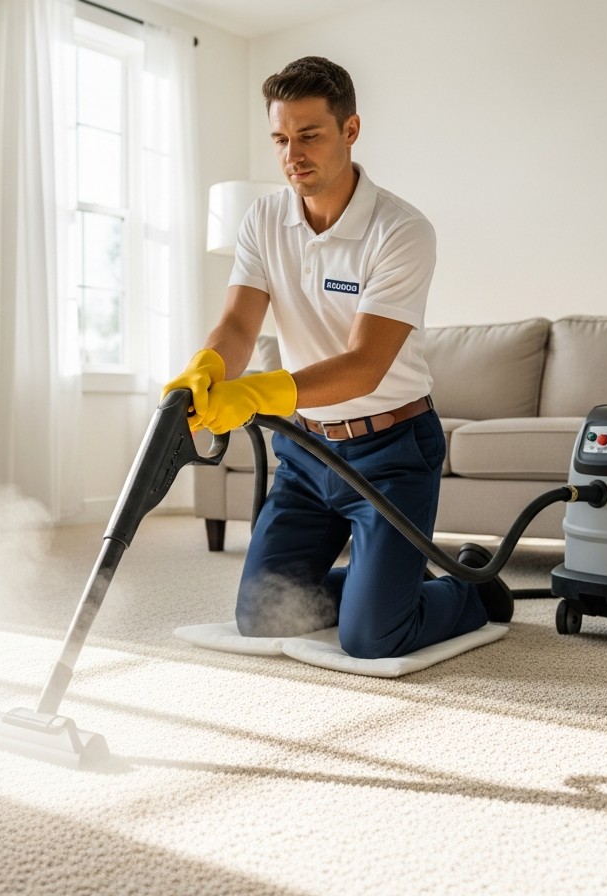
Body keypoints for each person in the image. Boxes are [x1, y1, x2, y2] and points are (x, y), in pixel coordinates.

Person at [163, 56, 513, 660]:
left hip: (392, 450)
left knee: (373, 637)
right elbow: (238, 325)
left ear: (350, 130)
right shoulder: (265, 219)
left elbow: (364, 365)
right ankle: (390, 586)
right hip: (306, 451)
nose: (292, 155)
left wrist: (255, 393)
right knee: (263, 617)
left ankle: (469, 587)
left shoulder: (400, 230)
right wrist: (209, 368)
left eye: (309, 135)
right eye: (280, 138)